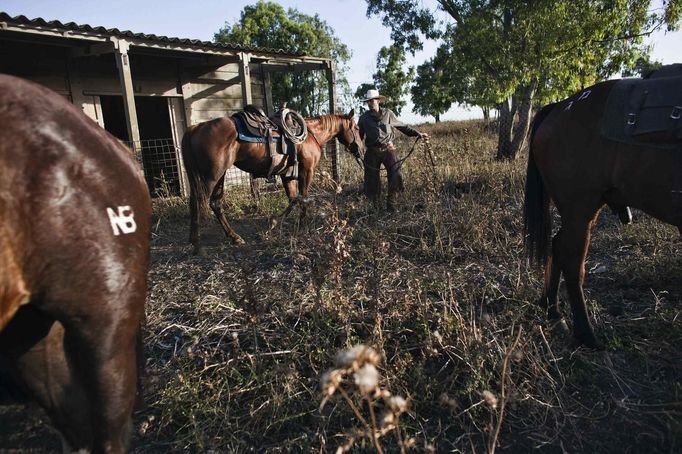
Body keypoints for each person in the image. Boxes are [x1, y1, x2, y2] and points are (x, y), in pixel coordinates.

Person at [358, 89, 430, 211]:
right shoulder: (363, 118)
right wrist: (353, 147)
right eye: (368, 101)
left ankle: (392, 204)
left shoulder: (388, 114)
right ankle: (376, 207)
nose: (370, 103)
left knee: (396, 174)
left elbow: (402, 126)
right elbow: (358, 136)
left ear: (378, 101)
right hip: (372, 151)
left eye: (372, 100)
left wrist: (418, 133)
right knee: (372, 179)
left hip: (388, 148)